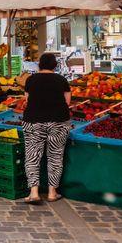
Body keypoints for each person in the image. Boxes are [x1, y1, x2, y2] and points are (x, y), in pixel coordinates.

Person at [22, 52, 72, 205]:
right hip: (58, 121)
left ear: (39, 65)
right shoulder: (62, 80)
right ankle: (52, 192)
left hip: (33, 121)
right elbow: (67, 102)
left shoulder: (30, 80)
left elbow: (27, 100)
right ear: (55, 66)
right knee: (55, 156)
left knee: (32, 156)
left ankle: (34, 193)